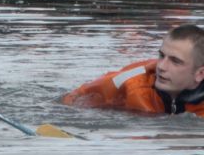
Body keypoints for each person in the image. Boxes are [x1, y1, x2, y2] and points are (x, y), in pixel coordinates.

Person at [62, 24, 204, 116]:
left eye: (175, 61)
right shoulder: (130, 82)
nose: (161, 67)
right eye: (161, 56)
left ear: (200, 73)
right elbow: (74, 98)